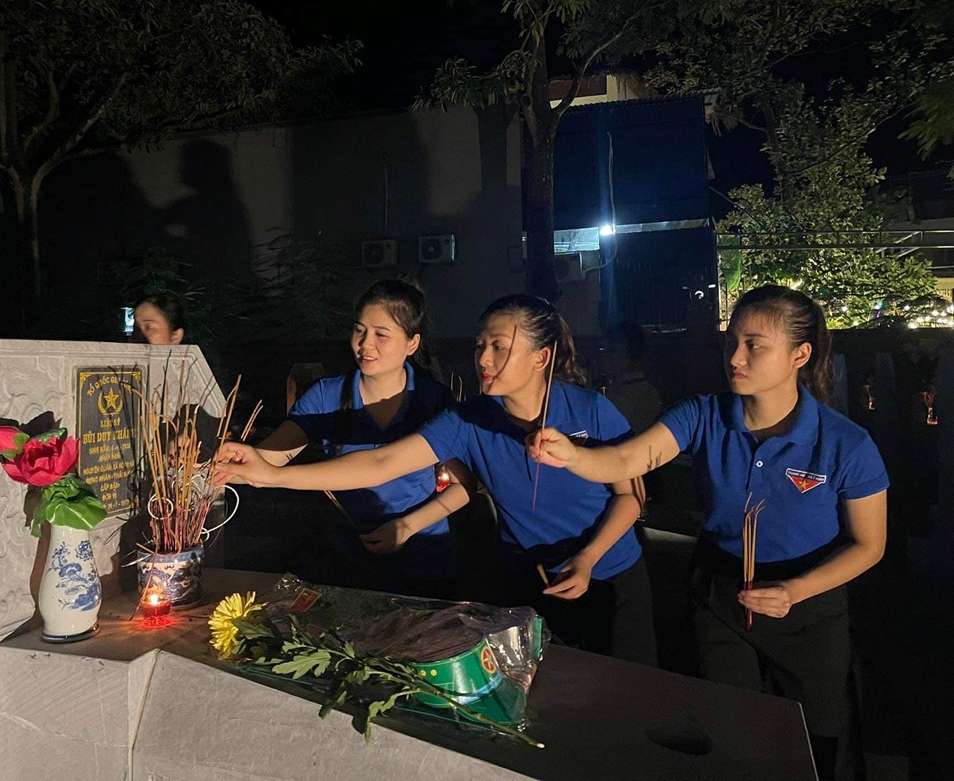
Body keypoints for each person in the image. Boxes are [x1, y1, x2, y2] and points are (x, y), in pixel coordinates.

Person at [525, 285, 887, 780]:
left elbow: (869, 545)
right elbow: (631, 459)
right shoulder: (703, 414)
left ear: (800, 355)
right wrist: (572, 455)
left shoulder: (846, 443)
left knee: (821, 740)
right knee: (730, 734)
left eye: (754, 345)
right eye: (731, 342)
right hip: (720, 594)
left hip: (809, 604)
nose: (735, 357)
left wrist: (795, 591)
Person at [215, 294, 657, 666]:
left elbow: (631, 495)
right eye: (480, 345)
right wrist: (270, 474)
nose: (483, 359)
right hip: (529, 578)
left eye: (499, 347)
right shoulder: (467, 420)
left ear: (541, 357)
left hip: (610, 574)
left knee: (627, 690)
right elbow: (382, 462)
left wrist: (589, 558)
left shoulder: (590, 411)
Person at [249, 278, 470, 599]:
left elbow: (464, 486)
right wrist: (214, 458)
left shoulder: (433, 399)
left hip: (424, 564)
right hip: (348, 566)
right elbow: (266, 460)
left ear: (412, 344)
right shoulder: (326, 396)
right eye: (359, 330)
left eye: (381, 334)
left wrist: (407, 527)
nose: (365, 344)